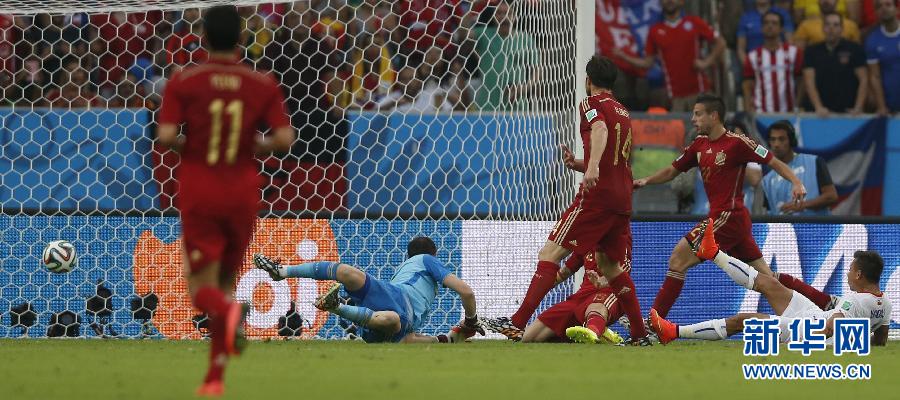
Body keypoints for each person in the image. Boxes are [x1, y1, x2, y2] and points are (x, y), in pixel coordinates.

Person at [156, 6, 296, 396]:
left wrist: (191, 145)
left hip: (201, 187)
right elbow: (285, 141)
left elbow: (166, 136)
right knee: (226, 283)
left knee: (202, 289)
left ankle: (228, 315)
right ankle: (214, 378)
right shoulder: (262, 83)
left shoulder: (185, 81)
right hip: (243, 191)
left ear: (202, 35)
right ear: (241, 37)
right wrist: (255, 143)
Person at [482, 55, 651, 345]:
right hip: (621, 198)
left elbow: (599, 131)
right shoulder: (623, 110)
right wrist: (582, 164)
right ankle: (639, 334)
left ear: (588, 80)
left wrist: (593, 167)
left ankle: (516, 321)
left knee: (550, 254)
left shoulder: (591, 103)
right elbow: (615, 155)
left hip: (597, 196)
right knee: (611, 267)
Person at [634, 94, 836, 321]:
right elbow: (672, 171)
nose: (693, 119)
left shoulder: (738, 143)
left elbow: (773, 161)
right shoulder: (699, 146)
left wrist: (797, 182)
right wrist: (646, 181)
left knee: (677, 260)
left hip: (727, 217)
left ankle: (654, 322)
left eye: (698, 114)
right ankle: (824, 303)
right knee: (767, 278)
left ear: (714, 115)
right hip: (734, 221)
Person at [651, 223, 892, 347]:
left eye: (850, 270)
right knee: (768, 283)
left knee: (743, 320)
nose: (848, 274)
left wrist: (802, 341)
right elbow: (880, 341)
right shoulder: (885, 304)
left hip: (807, 330)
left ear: (859, 275)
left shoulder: (854, 300)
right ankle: (712, 252)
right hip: (814, 317)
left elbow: (831, 328)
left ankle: (673, 332)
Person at [252, 237, 484, 343]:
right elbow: (466, 292)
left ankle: (285, 272)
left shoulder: (405, 271)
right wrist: (471, 321)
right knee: (392, 320)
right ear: (432, 255)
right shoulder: (426, 260)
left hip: (390, 321)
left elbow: (410, 341)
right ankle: (281, 273)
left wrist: (448, 339)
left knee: (348, 275)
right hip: (397, 299)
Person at [614, 0, 726, 111]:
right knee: (679, 128)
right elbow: (647, 63)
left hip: (700, 93)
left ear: (682, 2)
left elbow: (721, 43)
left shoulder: (694, 22)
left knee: (705, 128)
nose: (669, 1)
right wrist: (624, 56)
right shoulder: (655, 31)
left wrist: (706, 62)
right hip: (675, 98)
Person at [522, 253, 625, 345]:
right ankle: (600, 334)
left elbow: (623, 271)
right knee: (529, 337)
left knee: (595, 308)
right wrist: (542, 285)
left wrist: (602, 281)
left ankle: (594, 330)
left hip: (609, 291)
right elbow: (565, 271)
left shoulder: (618, 236)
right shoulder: (585, 242)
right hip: (581, 296)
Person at [762, 120, 838, 215]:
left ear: (791, 141)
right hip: (784, 229)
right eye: (773, 140)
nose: (776, 144)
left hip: (817, 228)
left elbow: (831, 196)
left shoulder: (814, 162)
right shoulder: (766, 180)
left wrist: (803, 205)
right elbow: (769, 213)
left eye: (781, 139)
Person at [802, 12, 869, 115]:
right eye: (827, 24)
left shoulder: (855, 49)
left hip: (848, 111)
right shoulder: (811, 51)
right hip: (819, 113)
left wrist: (858, 107)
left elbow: (863, 79)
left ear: (842, 29)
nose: (831, 28)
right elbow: (809, 82)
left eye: (836, 25)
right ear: (823, 28)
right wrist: (818, 107)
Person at [742, 11, 804, 113]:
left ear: (781, 28)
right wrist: (748, 110)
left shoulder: (794, 52)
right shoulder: (752, 56)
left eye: (774, 23)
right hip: (761, 114)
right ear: (761, 28)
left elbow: (801, 81)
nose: (770, 26)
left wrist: (797, 105)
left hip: (789, 113)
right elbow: (747, 86)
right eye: (766, 23)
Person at [866, 0, 900, 115]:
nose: (884, 8)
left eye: (888, 5)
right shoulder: (872, 40)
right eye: (879, 6)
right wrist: (881, 106)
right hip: (890, 104)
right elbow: (875, 76)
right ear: (876, 13)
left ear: (897, 9)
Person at [793, 0, 861, 48]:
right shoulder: (805, 26)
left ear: (837, 1)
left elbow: (857, 53)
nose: (826, 1)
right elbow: (799, 53)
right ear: (818, 2)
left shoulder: (851, 26)